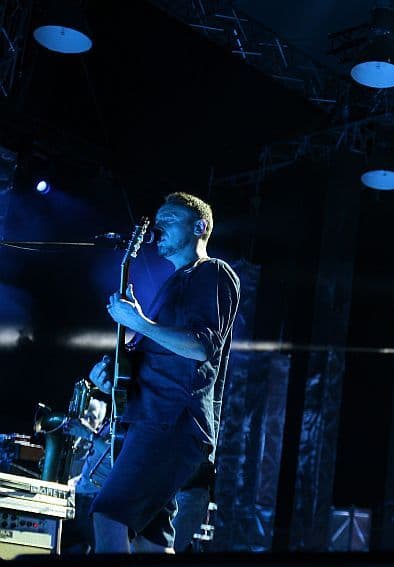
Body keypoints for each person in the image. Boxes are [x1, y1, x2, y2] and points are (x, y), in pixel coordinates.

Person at [86, 192, 240, 553]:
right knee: (150, 540)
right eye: (158, 221)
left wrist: (141, 323)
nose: (159, 227)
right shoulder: (174, 283)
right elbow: (159, 355)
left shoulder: (212, 272)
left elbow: (201, 346)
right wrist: (114, 374)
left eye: (169, 219)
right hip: (154, 418)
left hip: (171, 420)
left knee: (109, 515)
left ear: (199, 227)